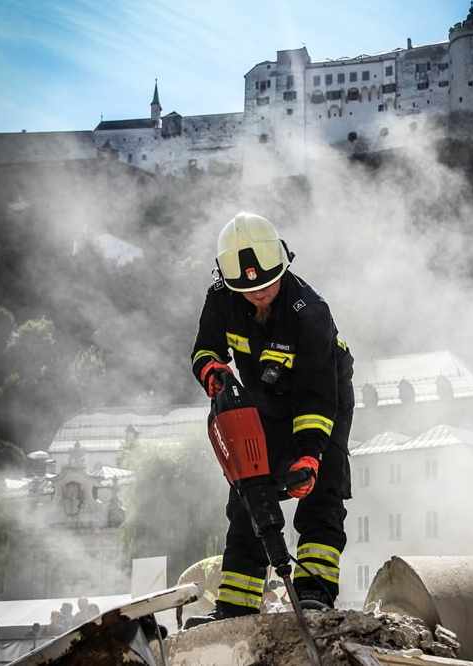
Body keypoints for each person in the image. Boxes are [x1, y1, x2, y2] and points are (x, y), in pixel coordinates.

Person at [190, 212, 354, 622]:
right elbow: (204, 350)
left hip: (323, 395)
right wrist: (213, 373)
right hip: (262, 399)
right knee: (249, 495)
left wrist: (309, 454)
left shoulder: (310, 312)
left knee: (319, 490)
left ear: (283, 265)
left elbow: (317, 394)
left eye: (266, 285)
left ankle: (315, 594)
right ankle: (235, 607)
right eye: (248, 289)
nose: (259, 295)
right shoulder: (222, 297)